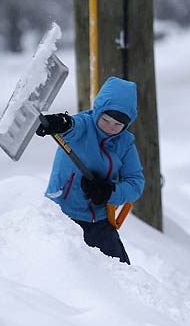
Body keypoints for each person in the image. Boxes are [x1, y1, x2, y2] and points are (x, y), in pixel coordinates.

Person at [36, 76, 145, 264]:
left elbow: (136, 184)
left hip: (98, 220)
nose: (111, 128)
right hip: (61, 214)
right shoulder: (84, 125)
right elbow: (70, 126)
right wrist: (60, 123)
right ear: (98, 111)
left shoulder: (125, 144)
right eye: (106, 120)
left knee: (121, 272)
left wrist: (109, 191)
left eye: (118, 125)